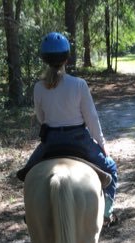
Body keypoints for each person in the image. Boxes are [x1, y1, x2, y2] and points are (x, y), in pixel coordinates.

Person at [17, 32, 118, 226]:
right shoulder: (79, 84)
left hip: (51, 141)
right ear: (66, 58)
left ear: (44, 59)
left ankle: (30, 214)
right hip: (79, 139)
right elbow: (92, 119)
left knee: (28, 174)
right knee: (111, 169)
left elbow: (41, 118)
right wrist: (102, 144)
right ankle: (107, 211)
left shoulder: (38, 87)